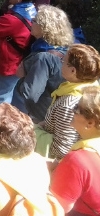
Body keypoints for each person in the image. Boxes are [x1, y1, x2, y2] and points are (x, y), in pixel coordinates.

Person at [35, 44, 100, 161]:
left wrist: (35, 133)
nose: (61, 63)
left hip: (53, 163)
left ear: (73, 70)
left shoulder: (69, 104)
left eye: (63, 61)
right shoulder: (91, 88)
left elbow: (62, 149)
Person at [12, 5, 73, 122]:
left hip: (38, 114)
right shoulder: (66, 50)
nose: (30, 22)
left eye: (34, 21)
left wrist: (22, 79)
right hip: (54, 110)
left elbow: (30, 93)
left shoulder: (43, 55)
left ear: (45, 27)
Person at [50, 86, 100, 215]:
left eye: (77, 107)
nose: (72, 110)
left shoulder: (77, 160)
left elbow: (56, 207)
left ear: (90, 123)